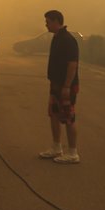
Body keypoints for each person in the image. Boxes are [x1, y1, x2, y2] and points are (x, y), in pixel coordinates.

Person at [39, 9, 80, 164]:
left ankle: (73, 152)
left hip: (66, 86)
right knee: (54, 114)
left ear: (56, 21)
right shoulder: (57, 38)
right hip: (55, 85)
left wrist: (67, 87)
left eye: (48, 22)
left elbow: (72, 65)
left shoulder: (68, 40)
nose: (46, 25)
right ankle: (56, 147)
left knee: (69, 117)